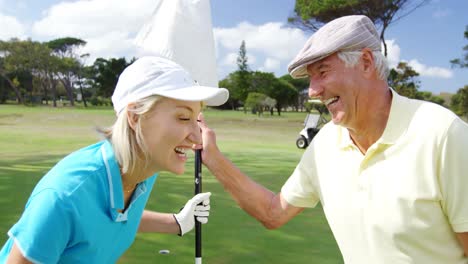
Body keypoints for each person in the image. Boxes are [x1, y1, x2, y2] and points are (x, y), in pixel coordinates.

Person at [197, 15, 468, 263]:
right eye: (310, 78)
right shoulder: (326, 143)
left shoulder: (442, 134)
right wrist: (213, 158)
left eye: (323, 72)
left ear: (365, 62)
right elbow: (272, 212)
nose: (313, 90)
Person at [0, 56, 229, 263]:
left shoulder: (143, 169)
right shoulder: (64, 197)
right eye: (182, 117)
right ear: (134, 117)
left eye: (196, 118)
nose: (198, 136)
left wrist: (176, 222)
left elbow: (109, 219)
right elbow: (80, 212)